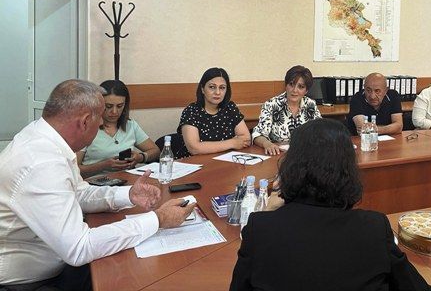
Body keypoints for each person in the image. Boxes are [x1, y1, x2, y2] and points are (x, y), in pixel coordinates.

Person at [0, 80, 195, 290]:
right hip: (28, 281)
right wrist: (158, 219)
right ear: (85, 122)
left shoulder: (45, 138)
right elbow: (79, 247)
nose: (103, 122)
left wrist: (128, 195)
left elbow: (78, 193)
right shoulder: (41, 163)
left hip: (56, 260)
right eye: (100, 118)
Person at [229, 118, 431, 291]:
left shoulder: (260, 228)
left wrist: (267, 212)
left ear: (292, 165)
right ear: (348, 169)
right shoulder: (374, 228)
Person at [76, 80, 160, 178]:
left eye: (120, 106)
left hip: (126, 180)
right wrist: (103, 166)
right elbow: (73, 170)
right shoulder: (86, 127)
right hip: (94, 183)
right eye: (108, 106)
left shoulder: (130, 125)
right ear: (98, 104)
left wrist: (140, 157)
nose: (114, 111)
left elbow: (155, 151)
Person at [176, 67, 251, 157]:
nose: (217, 92)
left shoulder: (230, 108)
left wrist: (208, 147)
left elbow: (246, 139)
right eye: (212, 87)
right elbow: (194, 148)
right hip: (194, 162)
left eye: (222, 88)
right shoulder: (191, 111)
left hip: (226, 161)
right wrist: (232, 143)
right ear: (202, 89)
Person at [252, 65, 322, 155]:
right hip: (279, 154)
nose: (294, 90)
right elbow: (258, 134)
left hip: (306, 154)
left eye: (301, 87)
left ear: (306, 91)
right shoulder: (271, 105)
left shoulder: (311, 104)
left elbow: (321, 131)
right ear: (286, 85)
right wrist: (267, 144)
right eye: (291, 84)